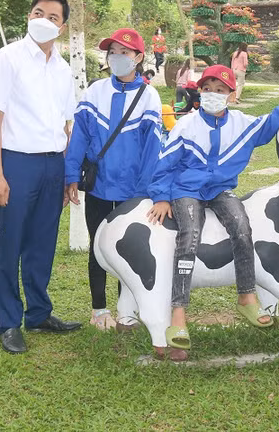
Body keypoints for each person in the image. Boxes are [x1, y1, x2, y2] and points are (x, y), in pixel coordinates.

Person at [147, 65, 279, 352]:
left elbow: (270, 122)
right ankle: (178, 313)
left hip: (220, 191)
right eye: (208, 89)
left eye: (220, 90)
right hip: (186, 191)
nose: (213, 95)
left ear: (231, 95)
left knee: (242, 226)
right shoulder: (186, 125)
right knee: (188, 238)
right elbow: (164, 164)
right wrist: (161, 197)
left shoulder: (242, 124)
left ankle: (247, 296)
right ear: (199, 92)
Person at [0, 0, 82, 354]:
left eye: (53, 17)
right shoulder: (6, 58)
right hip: (17, 163)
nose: (44, 21)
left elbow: (67, 124)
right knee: (11, 243)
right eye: (38, 12)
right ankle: (9, 322)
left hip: (53, 164)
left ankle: (39, 313)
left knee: (42, 244)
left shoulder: (63, 68)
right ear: (28, 15)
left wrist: (69, 173)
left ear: (63, 26)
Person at [64, 28, 163, 331]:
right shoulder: (95, 92)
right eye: (112, 52)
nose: (117, 58)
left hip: (134, 193)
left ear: (139, 57)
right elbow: (79, 136)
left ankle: (126, 311)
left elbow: (153, 149)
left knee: (128, 250)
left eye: (124, 52)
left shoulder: (149, 96)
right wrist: (70, 175)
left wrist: (145, 191)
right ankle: (98, 310)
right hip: (99, 187)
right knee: (99, 247)